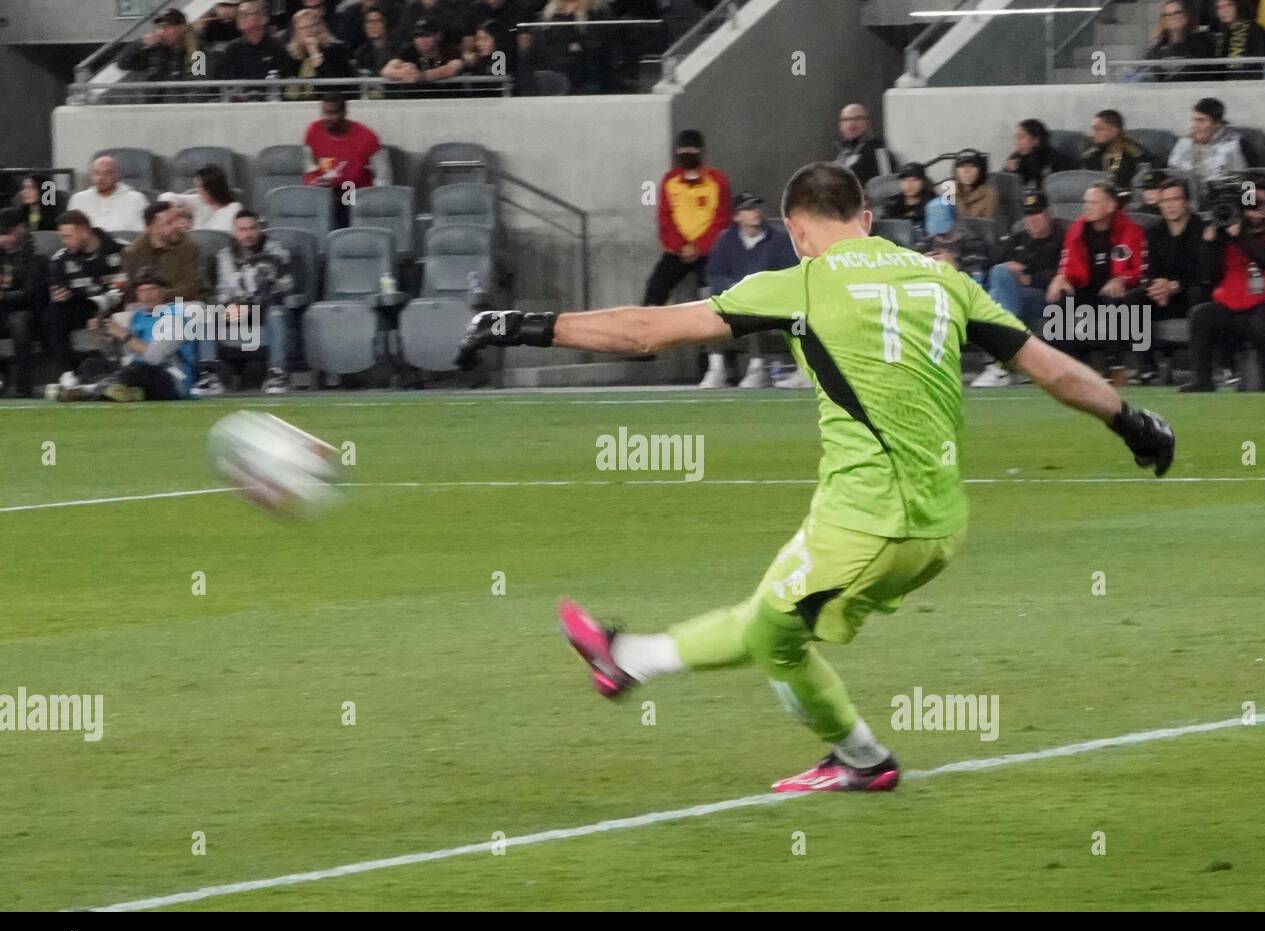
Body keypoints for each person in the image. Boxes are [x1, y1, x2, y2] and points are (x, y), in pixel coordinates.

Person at [452, 161, 1175, 793]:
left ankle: (860, 759)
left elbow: (645, 332)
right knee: (775, 616)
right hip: (938, 521)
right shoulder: (944, 280)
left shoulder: (800, 282)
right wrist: (1132, 422)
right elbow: (1049, 369)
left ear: (798, 232)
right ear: (866, 219)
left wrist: (525, 324)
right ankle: (631, 659)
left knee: (775, 634)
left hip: (871, 517)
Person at [1181, 177, 1265, 391]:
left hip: (1263, 307)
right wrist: (1209, 243)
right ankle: (1202, 380)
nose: (1253, 209)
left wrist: (1240, 235)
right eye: (1249, 204)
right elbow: (1207, 276)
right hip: (1229, 309)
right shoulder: (1225, 239)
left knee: (1264, 325)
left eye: (1259, 204)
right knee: (1201, 315)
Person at [698, 191, 799, 389]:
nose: (755, 212)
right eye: (749, 209)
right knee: (710, 299)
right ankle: (717, 368)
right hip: (734, 299)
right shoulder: (725, 240)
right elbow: (714, 275)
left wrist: (760, 288)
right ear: (737, 216)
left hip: (771, 302)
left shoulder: (780, 240)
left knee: (751, 302)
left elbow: (791, 274)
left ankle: (757, 367)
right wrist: (734, 288)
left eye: (757, 208)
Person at [56, 268, 198, 403]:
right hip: (137, 372)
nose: (147, 295)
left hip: (173, 378)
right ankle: (129, 392)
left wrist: (123, 334)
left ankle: (85, 390)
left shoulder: (175, 317)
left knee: (140, 370)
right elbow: (129, 357)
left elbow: (155, 358)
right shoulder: (138, 317)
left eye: (152, 289)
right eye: (142, 290)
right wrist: (106, 334)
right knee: (91, 365)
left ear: (163, 291)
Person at [1046, 181, 1147, 368]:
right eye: (1086, 202)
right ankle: (1065, 364)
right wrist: (1060, 277)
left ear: (1110, 206)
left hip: (1113, 292)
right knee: (1059, 299)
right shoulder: (1077, 230)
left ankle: (1114, 365)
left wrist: (1121, 279)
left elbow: (1140, 271)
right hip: (1085, 288)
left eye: (1093, 202)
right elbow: (1067, 263)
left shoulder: (1130, 230)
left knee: (1114, 300)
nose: (1087, 207)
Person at [972, 191, 1067, 387]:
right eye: (1028, 214)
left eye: (1037, 213)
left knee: (996, 292)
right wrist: (1010, 271)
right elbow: (994, 267)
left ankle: (1000, 364)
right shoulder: (1018, 239)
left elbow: (1064, 271)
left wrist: (1028, 277)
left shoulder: (1061, 238)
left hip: (1045, 298)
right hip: (1014, 297)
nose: (1032, 219)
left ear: (1049, 213)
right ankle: (1006, 358)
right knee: (998, 276)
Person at [1128, 177, 1207, 381]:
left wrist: (1175, 286)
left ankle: (1200, 367)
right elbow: (1148, 271)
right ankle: (1147, 367)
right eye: (1164, 201)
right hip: (1164, 296)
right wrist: (1157, 287)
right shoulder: (1154, 232)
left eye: (1175, 199)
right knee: (1134, 298)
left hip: (1193, 294)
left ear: (1186, 201)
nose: (1169, 205)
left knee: (1197, 292)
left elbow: (1207, 272)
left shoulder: (1202, 229)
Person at [642, 129, 731, 307]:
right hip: (678, 251)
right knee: (655, 289)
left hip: (709, 252)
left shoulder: (717, 180)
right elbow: (664, 218)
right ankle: (650, 327)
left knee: (716, 293)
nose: (686, 154)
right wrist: (681, 246)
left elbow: (722, 219)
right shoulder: (669, 180)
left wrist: (699, 247)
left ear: (701, 152)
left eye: (691, 150)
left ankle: (720, 329)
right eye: (682, 151)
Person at [215, 210, 297, 393]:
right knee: (204, 314)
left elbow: (286, 285)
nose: (248, 234)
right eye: (242, 230)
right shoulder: (225, 256)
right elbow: (222, 291)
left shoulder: (276, 251)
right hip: (237, 308)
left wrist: (252, 303)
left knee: (276, 312)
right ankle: (210, 375)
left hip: (267, 308)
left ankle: (277, 373)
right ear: (235, 232)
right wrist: (231, 305)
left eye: (252, 228)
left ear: (259, 229)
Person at [42, 211, 128, 381]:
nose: (64, 242)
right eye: (62, 237)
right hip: (83, 307)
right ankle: (67, 374)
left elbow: (125, 289)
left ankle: (123, 369)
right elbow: (60, 291)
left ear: (84, 230)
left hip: (117, 305)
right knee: (52, 314)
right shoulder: (61, 259)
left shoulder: (120, 249)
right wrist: (57, 295)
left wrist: (100, 314)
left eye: (68, 236)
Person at [302, 96, 388, 226]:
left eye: (332, 113)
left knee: (344, 200)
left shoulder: (367, 137)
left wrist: (373, 203)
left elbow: (384, 175)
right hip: (325, 192)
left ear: (344, 112)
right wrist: (314, 183)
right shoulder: (313, 130)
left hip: (355, 193)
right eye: (324, 113)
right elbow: (309, 166)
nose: (326, 119)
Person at [122, 201, 212, 307]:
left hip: (183, 303)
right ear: (152, 229)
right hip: (145, 306)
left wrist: (159, 296)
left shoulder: (189, 247)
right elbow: (131, 292)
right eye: (169, 223)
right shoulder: (133, 253)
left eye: (177, 220)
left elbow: (193, 288)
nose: (176, 226)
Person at [0, 208, 49, 397]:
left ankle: (23, 388)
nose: (3, 239)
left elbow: (30, 294)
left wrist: (3, 296)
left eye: (7, 233)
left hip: (30, 314)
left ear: (22, 229)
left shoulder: (38, 258)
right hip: (3, 313)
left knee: (19, 321)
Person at [115, 7, 204, 100]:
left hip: (183, 110)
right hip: (154, 108)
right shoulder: (155, 50)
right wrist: (140, 43)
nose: (161, 32)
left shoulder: (196, 51)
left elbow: (199, 85)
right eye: (160, 27)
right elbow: (123, 63)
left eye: (167, 27)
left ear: (182, 27)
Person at [1167, 97, 1247, 183]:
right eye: (1194, 120)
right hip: (1185, 190)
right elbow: (1173, 170)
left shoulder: (1231, 146)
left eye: (1201, 120)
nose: (1195, 125)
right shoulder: (1185, 142)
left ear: (1217, 124)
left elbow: (1241, 179)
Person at [220, 0, 295, 88]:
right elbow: (227, 84)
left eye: (247, 13)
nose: (241, 17)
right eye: (239, 14)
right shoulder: (232, 50)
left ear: (264, 18)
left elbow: (286, 83)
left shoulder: (277, 49)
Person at [284, 5, 354, 99]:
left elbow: (334, 87)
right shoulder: (290, 56)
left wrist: (315, 53)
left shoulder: (337, 50)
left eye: (312, 26)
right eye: (303, 28)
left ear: (321, 27)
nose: (308, 31)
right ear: (297, 33)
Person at [67, 157, 149, 234]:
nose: (101, 178)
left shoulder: (136, 199)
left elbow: (143, 234)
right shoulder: (78, 199)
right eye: (96, 173)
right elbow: (70, 233)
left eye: (107, 173)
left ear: (117, 175)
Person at [922, 198, 994, 286]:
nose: (939, 234)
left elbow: (977, 286)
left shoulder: (974, 246)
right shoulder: (924, 246)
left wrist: (956, 267)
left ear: (955, 220)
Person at [383, 18, 466, 92]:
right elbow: (386, 70)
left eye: (426, 35)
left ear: (438, 36)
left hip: (450, 100)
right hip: (416, 102)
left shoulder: (449, 50)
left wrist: (420, 76)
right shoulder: (409, 50)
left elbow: (451, 69)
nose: (421, 40)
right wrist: (402, 73)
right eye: (417, 36)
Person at [1081, 110, 1150, 194]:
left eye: (1098, 129)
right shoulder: (1090, 155)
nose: (1092, 134)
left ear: (1114, 131)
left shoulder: (1135, 156)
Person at [161, 165, 244, 233]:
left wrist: (190, 228)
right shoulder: (198, 200)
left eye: (200, 187)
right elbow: (166, 196)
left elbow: (223, 234)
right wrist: (179, 210)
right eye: (197, 186)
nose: (197, 190)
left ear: (212, 188)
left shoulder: (234, 208)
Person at [1145, 0, 1215, 81]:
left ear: (1186, 16)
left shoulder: (1202, 45)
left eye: (1177, 13)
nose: (1172, 18)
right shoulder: (1156, 51)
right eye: (1168, 15)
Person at [1004, 119, 1074, 189]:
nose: (1017, 143)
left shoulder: (1054, 158)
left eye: (1021, 137)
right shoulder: (1017, 157)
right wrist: (1011, 173)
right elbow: (1006, 187)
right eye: (1016, 138)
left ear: (1036, 139)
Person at [1210, 0, 1265, 78]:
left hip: (1248, 83)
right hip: (1225, 85)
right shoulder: (1219, 34)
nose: (1224, 11)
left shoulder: (1252, 28)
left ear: (1236, 6)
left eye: (1229, 5)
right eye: (1219, 8)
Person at [881, 162, 933, 242]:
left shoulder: (932, 202)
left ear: (923, 182)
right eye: (904, 180)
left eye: (914, 180)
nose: (909, 184)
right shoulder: (891, 203)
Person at [951, 149, 1000, 227]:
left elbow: (989, 230)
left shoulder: (989, 195)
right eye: (962, 166)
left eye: (972, 166)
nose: (966, 171)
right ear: (955, 171)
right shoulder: (949, 191)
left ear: (980, 170)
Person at [352, 6, 398, 76]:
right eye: (369, 22)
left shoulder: (398, 49)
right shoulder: (361, 52)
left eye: (377, 21)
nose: (373, 25)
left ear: (385, 23)